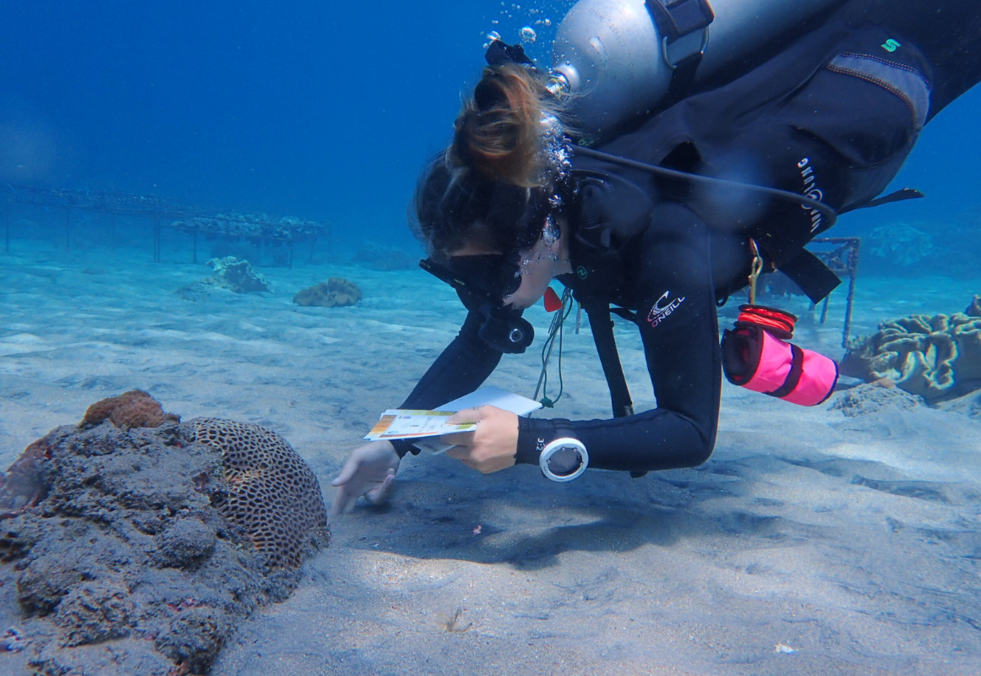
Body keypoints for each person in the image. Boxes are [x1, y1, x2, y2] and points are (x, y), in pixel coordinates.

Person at [330, 0, 981, 514]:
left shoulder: (664, 236)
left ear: (534, 236)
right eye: (459, 278)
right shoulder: (558, 212)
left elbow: (690, 432)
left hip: (906, 45)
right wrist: (389, 441)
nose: (478, 298)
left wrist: (529, 442)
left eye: (480, 276)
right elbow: (482, 340)